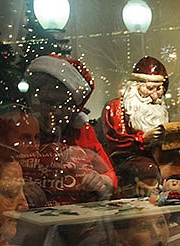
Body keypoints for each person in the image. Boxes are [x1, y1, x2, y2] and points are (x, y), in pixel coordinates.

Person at [26, 54, 117, 202]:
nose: (55, 111)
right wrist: (12, 186)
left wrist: (100, 180)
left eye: (63, 105)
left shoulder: (82, 132)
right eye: (48, 102)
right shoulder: (14, 127)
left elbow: (110, 176)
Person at [102, 56, 180, 178]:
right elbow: (114, 140)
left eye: (158, 89)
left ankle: (178, 194)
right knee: (149, 169)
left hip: (160, 156)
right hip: (128, 158)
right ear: (134, 87)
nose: (154, 96)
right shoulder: (116, 107)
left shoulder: (159, 107)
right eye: (149, 88)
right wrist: (143, 138)